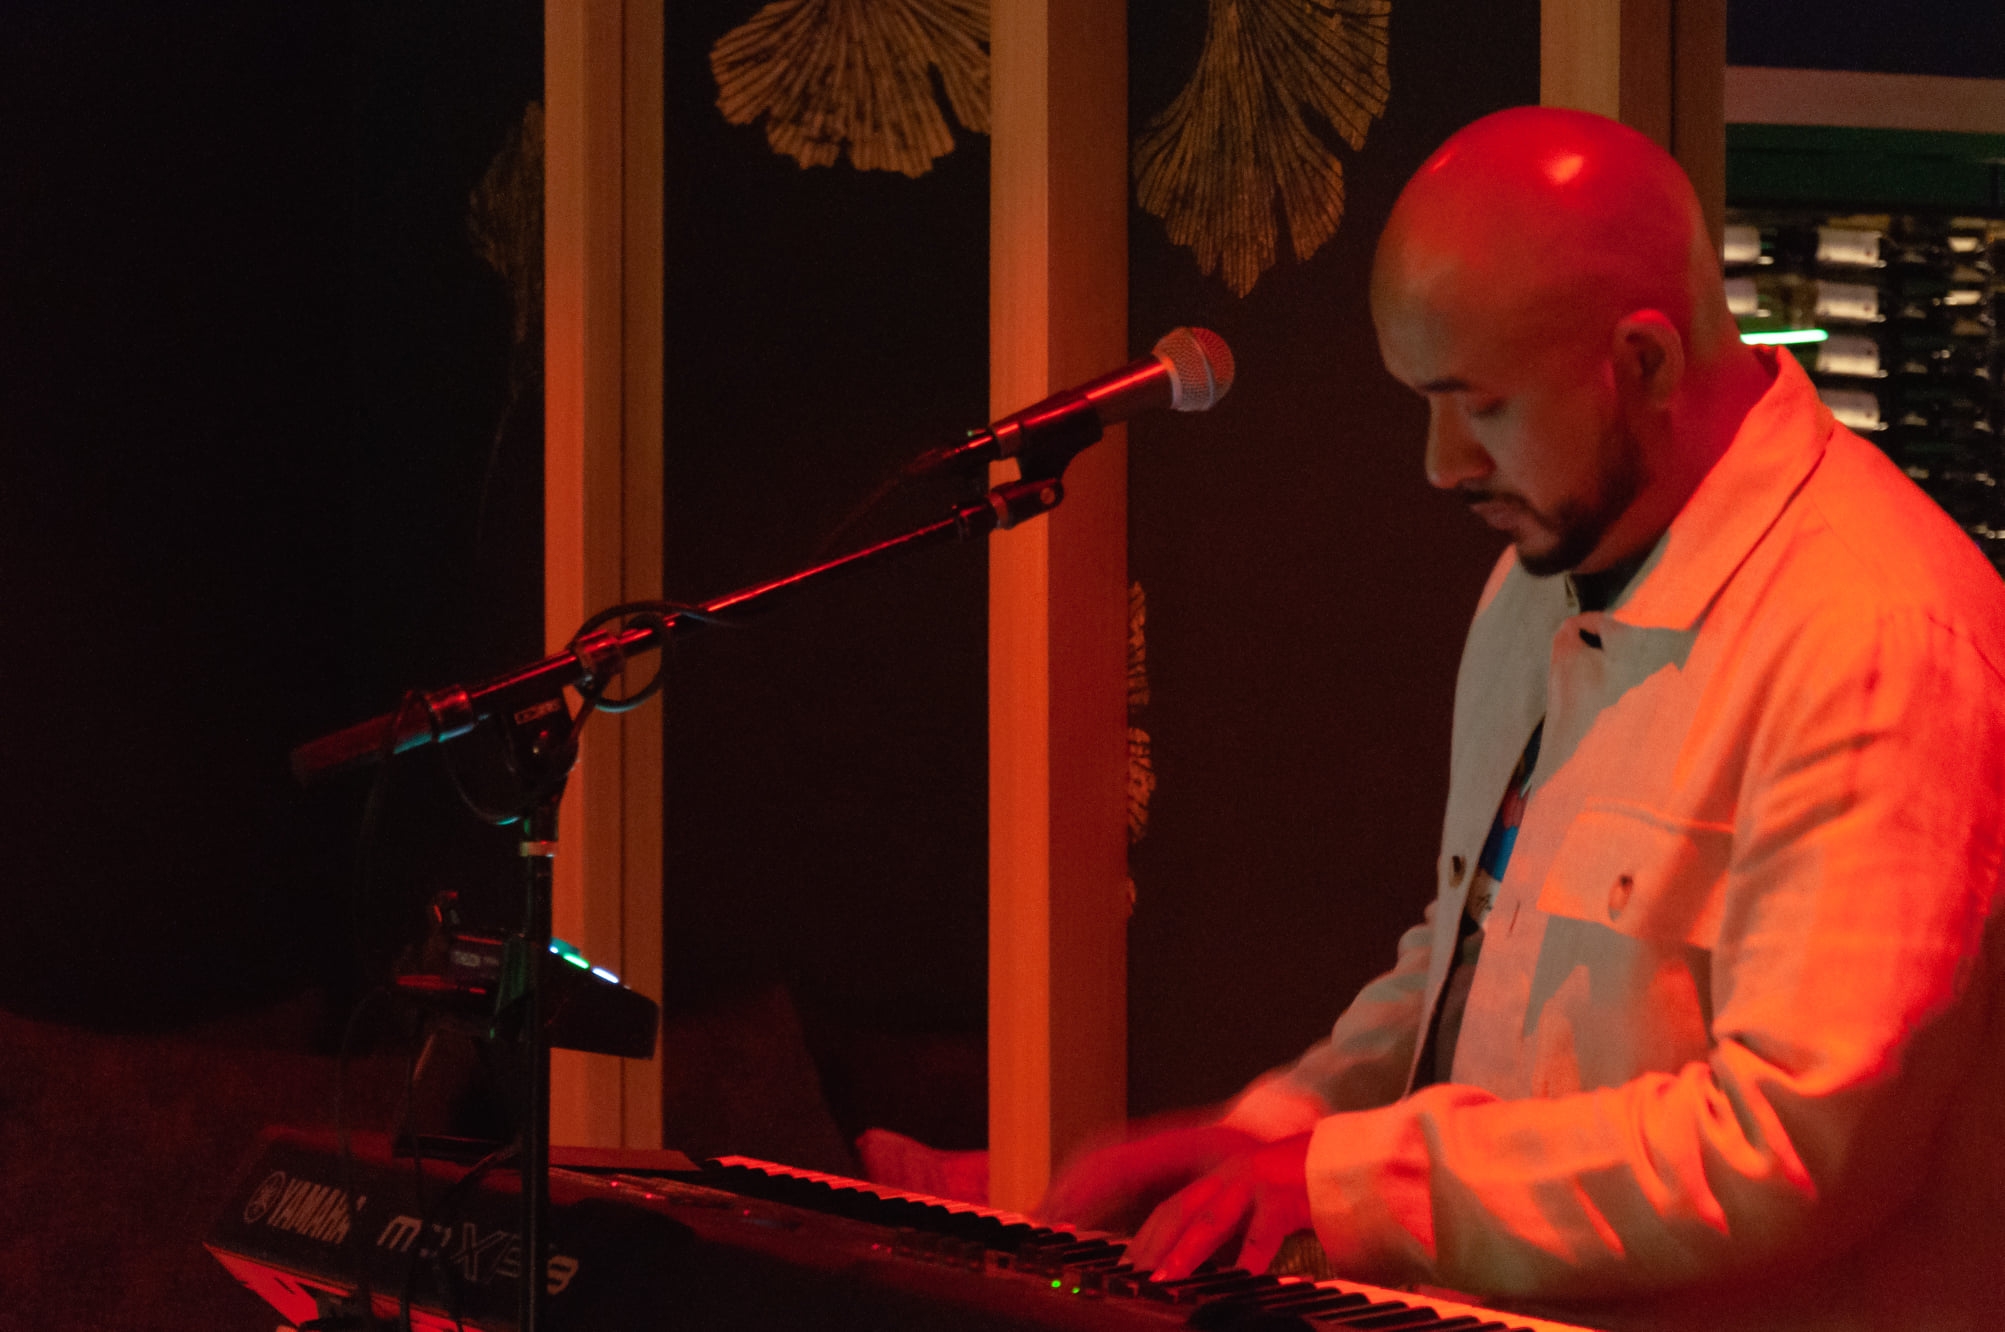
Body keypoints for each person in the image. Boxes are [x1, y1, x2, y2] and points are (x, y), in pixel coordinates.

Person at [1040, 107, 2005, 1331]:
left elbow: (1793, 1148)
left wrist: (1359, 1185)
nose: (1440, 463)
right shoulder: (1541, 576)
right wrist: (1267, 1135)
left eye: (1477, 406)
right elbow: (1474, 953)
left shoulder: (1876, 633)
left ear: (1642, 363)